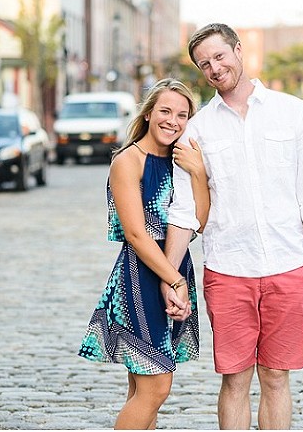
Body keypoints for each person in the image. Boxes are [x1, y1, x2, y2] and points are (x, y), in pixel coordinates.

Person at [164, 23, 303, 429]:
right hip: (228, 270)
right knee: (235, 380)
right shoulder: (198, 128)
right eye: (205, 64)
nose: (214, 68)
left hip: (289, 267)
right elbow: (185, 212)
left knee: (276, 377)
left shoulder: (291, 111)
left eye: (220, 56)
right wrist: (170, 277)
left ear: (238, 50)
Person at [78, 78, 209, 430]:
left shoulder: (184, 160)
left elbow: (200, 219)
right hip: (140, 278)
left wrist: (197, 172)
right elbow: (136, 234)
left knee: (141, 388)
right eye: (165, 111)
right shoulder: (129, 161)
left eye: (183, 115)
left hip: (176, 268)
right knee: (156, 386)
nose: (173, 121)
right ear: (149, 114)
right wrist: (174, 280)